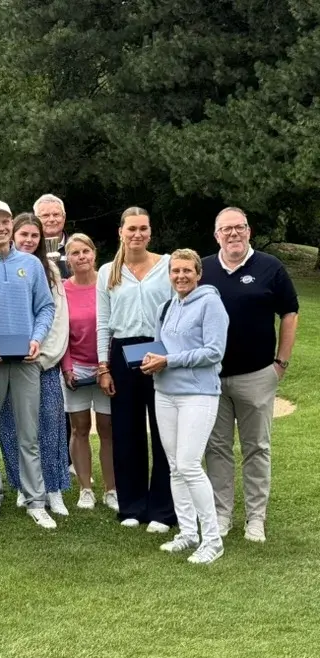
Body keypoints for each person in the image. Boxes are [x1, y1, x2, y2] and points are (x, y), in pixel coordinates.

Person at [201, 207, 299, 543]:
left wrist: (280, 363)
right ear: (216, 235)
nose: (233, 234)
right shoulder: (204, 268)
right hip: (212, 378)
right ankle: (221, 515)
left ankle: (256, 519)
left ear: (249, 230)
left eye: (238, 228)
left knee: (256, 448)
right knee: (217, 449)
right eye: (225, 229)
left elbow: (290, 312)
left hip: (257, 375)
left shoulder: (270, 267)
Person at [0, 202, 56, 529]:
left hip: (26, 359)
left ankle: (36, 499)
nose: (1, 227)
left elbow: (45, 308)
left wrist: (37, 339)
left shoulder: (31, 264)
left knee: (28, 433)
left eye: (5, 221)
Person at [141, 249, 228, 564]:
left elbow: (214, 351)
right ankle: (188, 533)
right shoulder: (166, 306)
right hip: (165, 393)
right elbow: (158, 347)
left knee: (190, 465)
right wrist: (151, 361)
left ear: (198, 273)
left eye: (187, 271)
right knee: (176, 465)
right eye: (175, 271)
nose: (180, 276)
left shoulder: (210, 303)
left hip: (198, 394)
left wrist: (169, 361)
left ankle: (213, 539)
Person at [96, 207, 175, 532]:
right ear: (121, 232)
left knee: (163, 433)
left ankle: (163, 509)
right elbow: (104, 323)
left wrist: (172, 356)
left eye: (143, 228)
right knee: (126, 433)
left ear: (150, 232)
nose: (137, 234)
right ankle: (131, 505)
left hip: (161, 353)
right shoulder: (107, 272)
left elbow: (179, 313)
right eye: (132, 229)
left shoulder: (167, 265)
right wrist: (103, 366)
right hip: (123, 355)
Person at [0, 213, 71, 518]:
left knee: (50, 427)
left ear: (41, 240)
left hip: (42, 364)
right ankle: (22, 486)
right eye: (23, 234)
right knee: (11, 426)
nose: (28, 240)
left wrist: (43, 357)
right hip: (7, 364)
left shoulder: (49, 270)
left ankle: (52, 489)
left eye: (34, 236)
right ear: (12, 235)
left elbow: (56, 317)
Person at [60, 235, 118, 511]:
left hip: (106, 367)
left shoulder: (109, 283)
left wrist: (107, 365)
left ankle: (111, 489)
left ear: (94, 254)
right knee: (79, 428)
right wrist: (68, 368)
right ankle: (85, 488)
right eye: (75, 253)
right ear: (67, 259)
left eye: (86, 251)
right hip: (77, 367)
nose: (81, 257)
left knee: (108, 429)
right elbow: (62, 334)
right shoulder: (62, 290)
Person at [34, 193, 70, 279]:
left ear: (64, 217)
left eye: (56, 214)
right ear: (36, 219)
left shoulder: (76, 247)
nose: (52, 219)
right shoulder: (30, 249)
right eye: (45, 215)